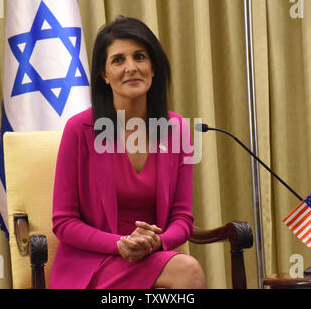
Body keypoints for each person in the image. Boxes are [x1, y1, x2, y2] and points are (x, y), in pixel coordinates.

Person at [49, 16, 206, 289]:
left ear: (153, 67)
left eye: (140, 57)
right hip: (91, 264)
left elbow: (183, 218)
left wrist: (157, 241)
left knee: (184, 270)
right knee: (187, 271)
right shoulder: (79, 130)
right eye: (118, 60)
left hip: (151, 258)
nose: (131, 67)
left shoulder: (177, 129)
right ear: (104, 74)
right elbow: (64, 221)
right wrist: (120, 244)